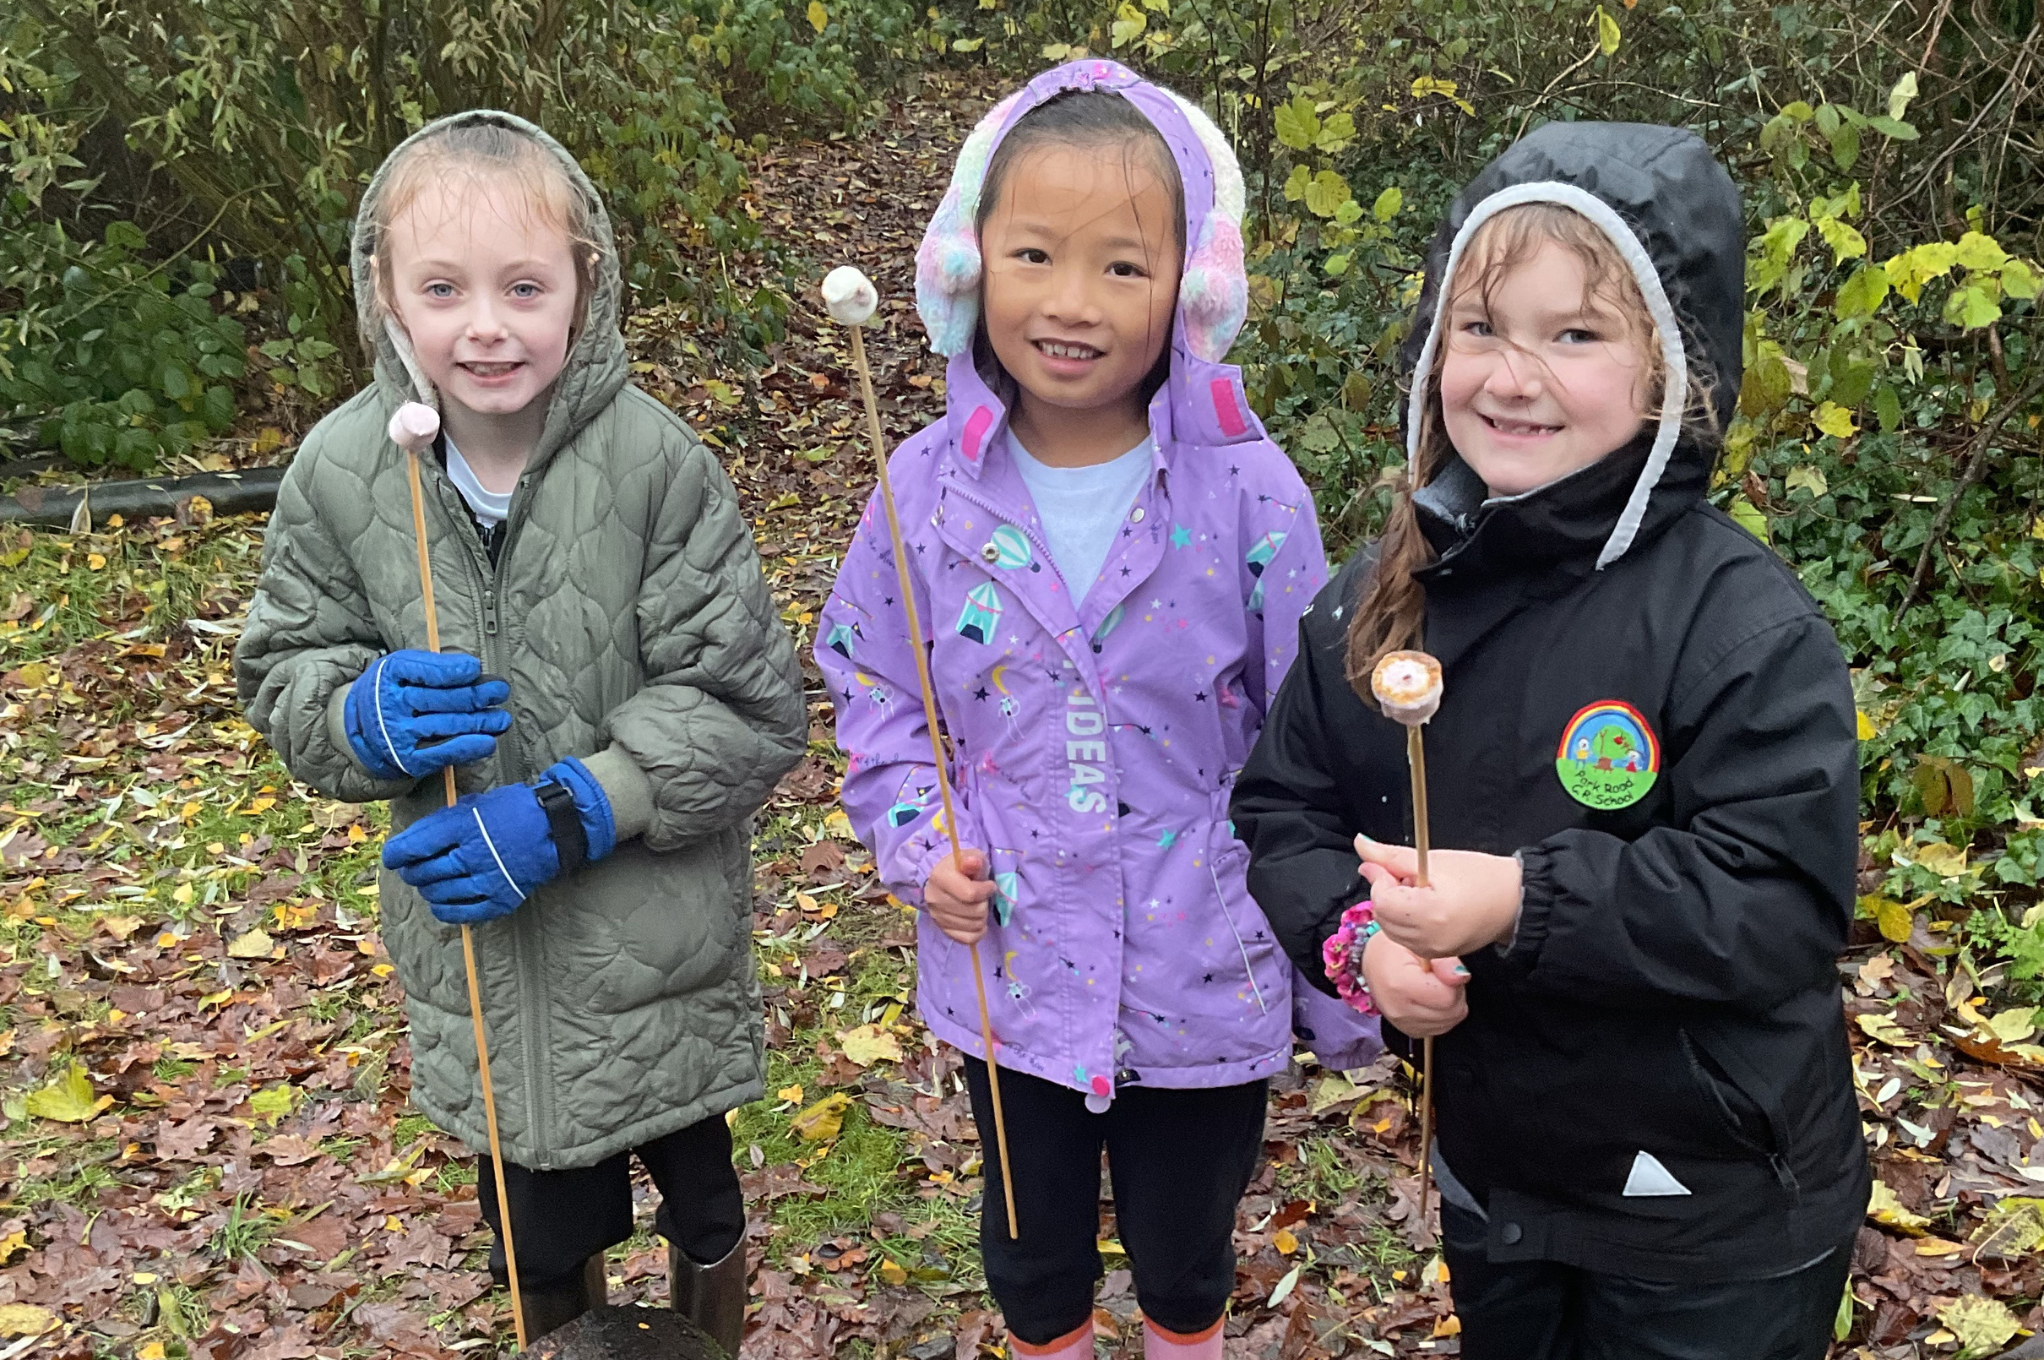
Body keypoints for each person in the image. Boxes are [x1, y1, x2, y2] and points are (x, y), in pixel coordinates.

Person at [1231, 122, 1869, 1359]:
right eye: (1479, 327)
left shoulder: (1740, 626)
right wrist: (1358, 948)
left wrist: (1523, 900)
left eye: (1574, 334)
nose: (1512, 376)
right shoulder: (1379, 598)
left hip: (1712, 1208)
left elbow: (1779, 901)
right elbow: (1285, 808)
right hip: (1498, 1177)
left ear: (1666, 371)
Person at [817, 60, 1378, 1360]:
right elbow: (874, 686)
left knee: (1189, 1258)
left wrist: (1338, 950)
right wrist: (919, 841)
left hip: (1206, 964)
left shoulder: (1250, 493)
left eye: (1123, 267)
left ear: (1193, 286)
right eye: (1033, 256)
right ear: (970, 270)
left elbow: (1312, 735)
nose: (1072, 305)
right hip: (1011, 967)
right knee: (1031, 1256)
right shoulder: (924, 497)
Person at [234, 110, 806, 1346]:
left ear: (584, 288)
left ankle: (709, 1335)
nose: (485, 325)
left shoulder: (659, 464)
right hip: (481, 972)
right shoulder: (341, 472)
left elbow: (748, 702)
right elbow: (284, 665)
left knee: (698, 1197)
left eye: (523, 286)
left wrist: (581, 803)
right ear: (384, 296)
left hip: (656, 950)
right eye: (442, 289)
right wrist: (357, 711)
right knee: (538, 1223)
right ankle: (565, 1334)